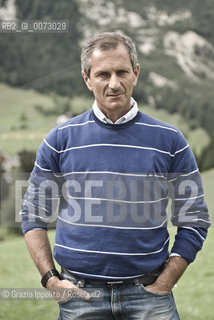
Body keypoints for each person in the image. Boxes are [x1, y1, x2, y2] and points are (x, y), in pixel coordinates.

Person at [21, 32, 210, 320]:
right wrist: (50, 278)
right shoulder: (59, 139)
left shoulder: (170, 140)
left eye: (122, 72)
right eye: (103, 74)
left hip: (150, 296)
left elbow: (194, 217)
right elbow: (33, 213)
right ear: (87, 79)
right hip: (79, 297)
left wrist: (166, 282)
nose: (114, 83)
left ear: (136, 73)